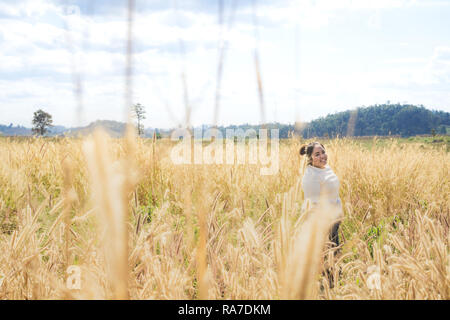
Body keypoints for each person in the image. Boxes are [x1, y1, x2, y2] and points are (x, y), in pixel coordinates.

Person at [299, 141, 343, 251]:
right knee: (326, 256)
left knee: (334, 254)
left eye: (323, 152)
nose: (322, 156)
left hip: (333, 221)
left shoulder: (325, 168)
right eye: (317, 154)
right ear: (310, 158)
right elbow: (315, 205)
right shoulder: (311, 177)